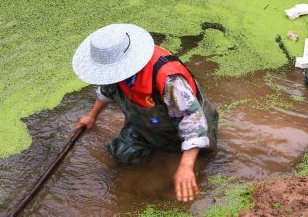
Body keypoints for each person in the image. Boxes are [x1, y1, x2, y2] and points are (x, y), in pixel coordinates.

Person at [73, 24, 218, 202]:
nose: (110, 76)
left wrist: (186, 167)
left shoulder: (169, 80)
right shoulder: (115, 75)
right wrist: (92, 116)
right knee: (121, 154)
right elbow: (107, 91)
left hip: (188, 120)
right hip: (147, 124)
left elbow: (193, 121)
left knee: (201, 163)